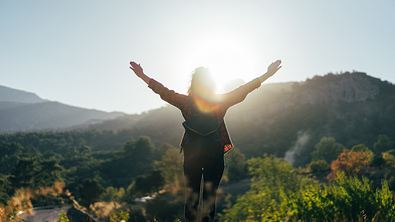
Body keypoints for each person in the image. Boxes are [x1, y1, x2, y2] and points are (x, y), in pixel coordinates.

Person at [129, 60, 282, 222]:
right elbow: (244, 89)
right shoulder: (219, 101)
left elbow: (162, 91)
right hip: (214, 154)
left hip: (192, 154)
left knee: (192, 196)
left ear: (193, 84)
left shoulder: (186, 102)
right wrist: (267, 74)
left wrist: (142, 75)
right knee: (210, 197)